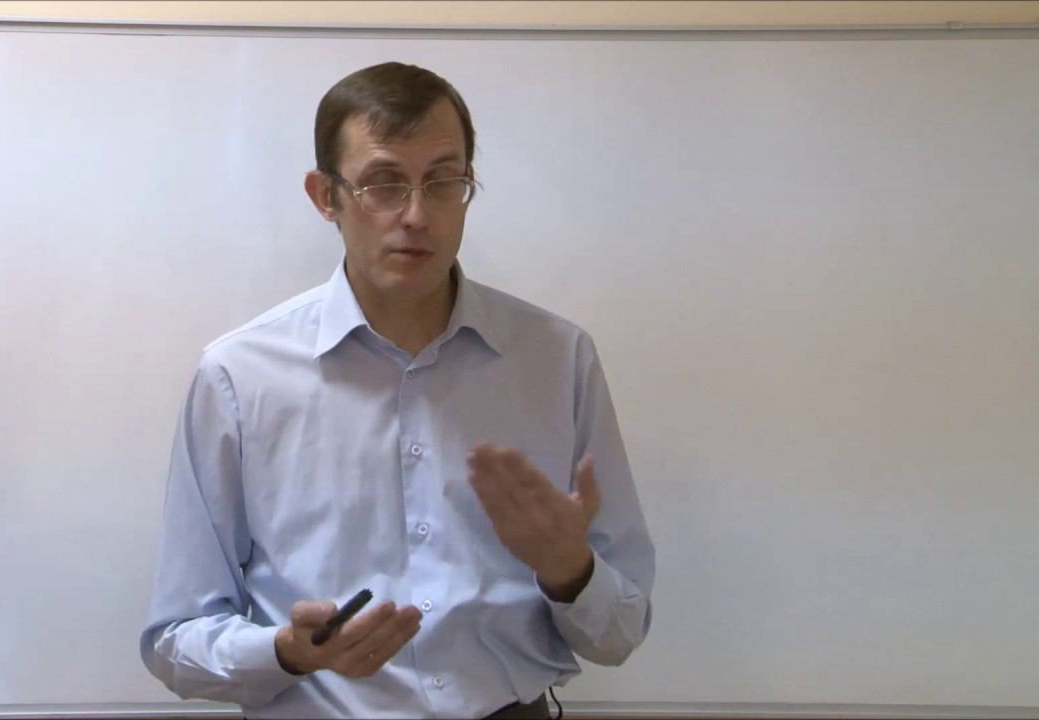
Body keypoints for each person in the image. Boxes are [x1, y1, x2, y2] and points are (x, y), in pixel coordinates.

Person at [141, 61, 656, 719]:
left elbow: (620, 632)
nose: (416, 215)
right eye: (383, 183)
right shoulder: (239, 376)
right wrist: (287, 652)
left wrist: (570, 572)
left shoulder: (556, 359)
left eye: (443, 181)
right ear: (325, 196)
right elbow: (176, 640)